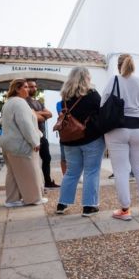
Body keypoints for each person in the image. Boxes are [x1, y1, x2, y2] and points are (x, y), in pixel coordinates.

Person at [101, 54, 139, 220]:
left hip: (117, 129)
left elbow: (103, 105)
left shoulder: (113, 80)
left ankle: (125, 210)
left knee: (121, 170)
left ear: (118, 66)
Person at [56, 67, 105, 216]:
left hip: (70, 140)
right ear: (86, 78)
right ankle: (89, 206)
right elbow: (102, 113)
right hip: (91, 139)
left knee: (71, 172)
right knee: (91, 171)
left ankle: (62, 204)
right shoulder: (93, 95)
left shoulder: (65, 97)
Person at [0, 78, 46, 207]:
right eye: (25, 87)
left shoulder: (8, 103)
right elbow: (25, 125)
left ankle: (12, 199)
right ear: (17, 89)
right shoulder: (20, 103)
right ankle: (33, 199)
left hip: (8, 144)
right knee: (29, 172)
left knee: (13, 173)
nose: (28, 89)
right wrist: (35, 142)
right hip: (20, 144)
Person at [26, 79, 60, 189]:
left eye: (35, 86)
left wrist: (36, 113)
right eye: (31, 86)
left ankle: (48, 181)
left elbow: (49, 114)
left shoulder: (38, 102)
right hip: (32, 134)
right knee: (32, 161)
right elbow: (37, 117)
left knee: (47, 158)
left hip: (41, 135)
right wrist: (39, 115)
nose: (34, 88)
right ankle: (34, 186)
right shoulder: (24, 102)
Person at [55, 100, 67, 175]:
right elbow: (61, 114)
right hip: (64, 131)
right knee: (64, 157)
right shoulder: (60, 103)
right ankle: (65, 175)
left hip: (75, 131)